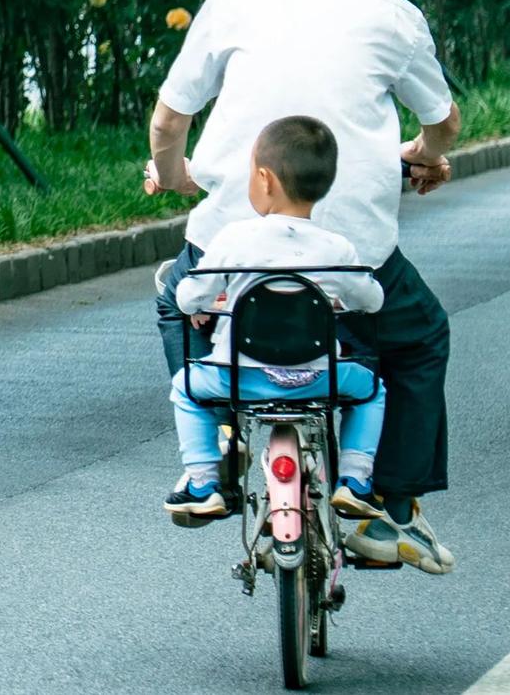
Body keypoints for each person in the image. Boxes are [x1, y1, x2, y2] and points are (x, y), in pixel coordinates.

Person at [150, 0, 460, 573]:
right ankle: (392, 506)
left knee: (178, 297)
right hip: (353, 251)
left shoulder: (230, 5)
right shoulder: (389, 13)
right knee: (418, 339)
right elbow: (443, 119)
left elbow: (170, 121)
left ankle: (219, 439)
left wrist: (178, 177)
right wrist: (425, 153)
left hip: (225, 244)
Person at [165, 115, 387, 522]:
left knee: (185, 388)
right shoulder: (336, 248)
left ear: (264, 179)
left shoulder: (234, 239)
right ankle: (355, 480)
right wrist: (335, 299)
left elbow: (187, 296)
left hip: (238, 377)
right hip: (322, 377)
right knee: (372, 391)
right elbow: (371, 300)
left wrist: (206, 303)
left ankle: (202, 482)